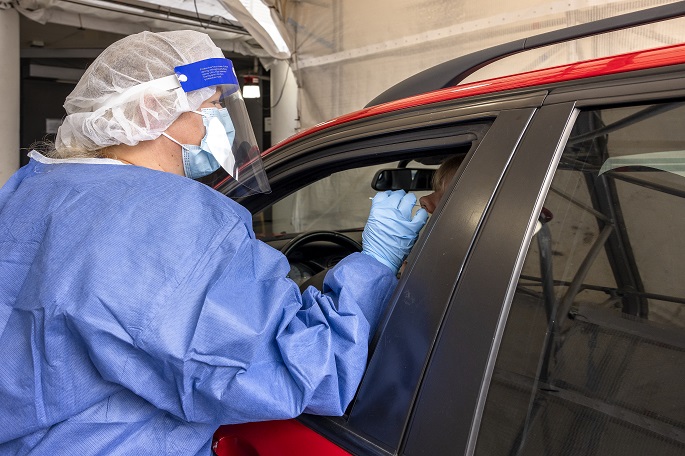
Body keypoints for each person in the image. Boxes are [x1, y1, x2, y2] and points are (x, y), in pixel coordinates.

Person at [0, 31, 428, 455]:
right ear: (152, 108)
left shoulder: (36, 188)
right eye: (213, 105)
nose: (223, 119)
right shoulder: (169, 219)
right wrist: (376, 261)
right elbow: (299, 370)